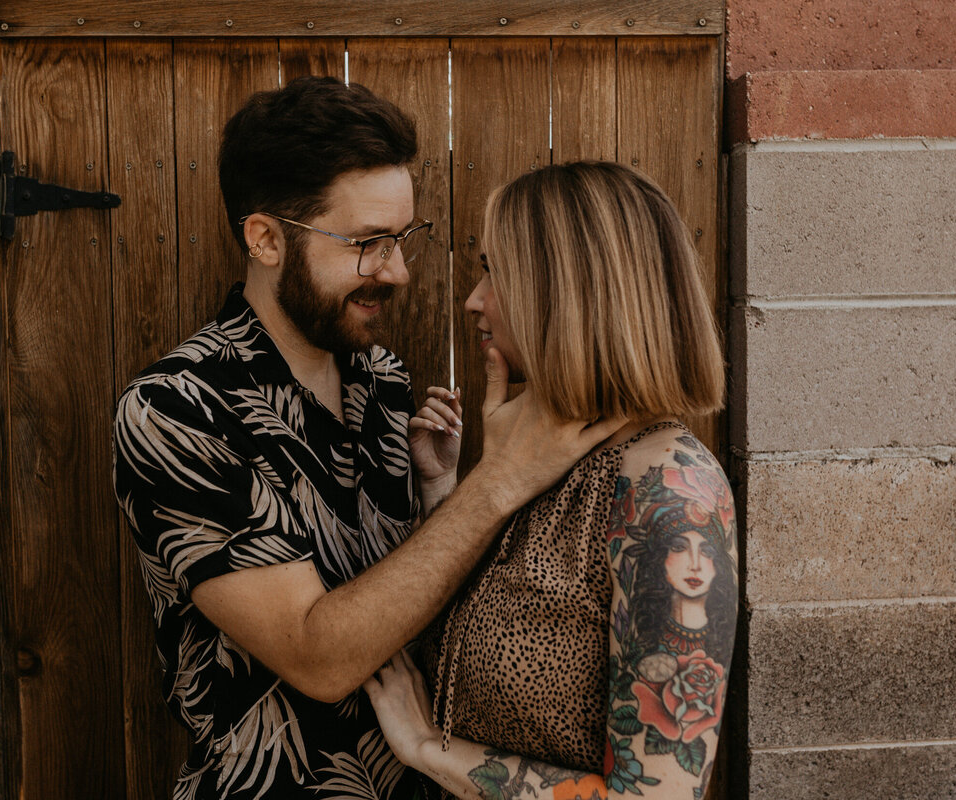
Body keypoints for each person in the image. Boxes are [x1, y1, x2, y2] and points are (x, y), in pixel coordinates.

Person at [112, 77, 619, 800]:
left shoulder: (381, 380)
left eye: (404, 239)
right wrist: (498, 481)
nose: (399, 271)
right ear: (265, 239)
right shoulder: (177, 411)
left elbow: (415, 599)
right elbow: (319, 658)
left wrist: (438, 491)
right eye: (367, 243)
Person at [363, 161, 738, 800]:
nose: (474, 299)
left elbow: (654, 797)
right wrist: (446, 491)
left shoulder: (670, 496)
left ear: (571, 292)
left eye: (496, 272)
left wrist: (430, 749)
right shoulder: (548, 455)